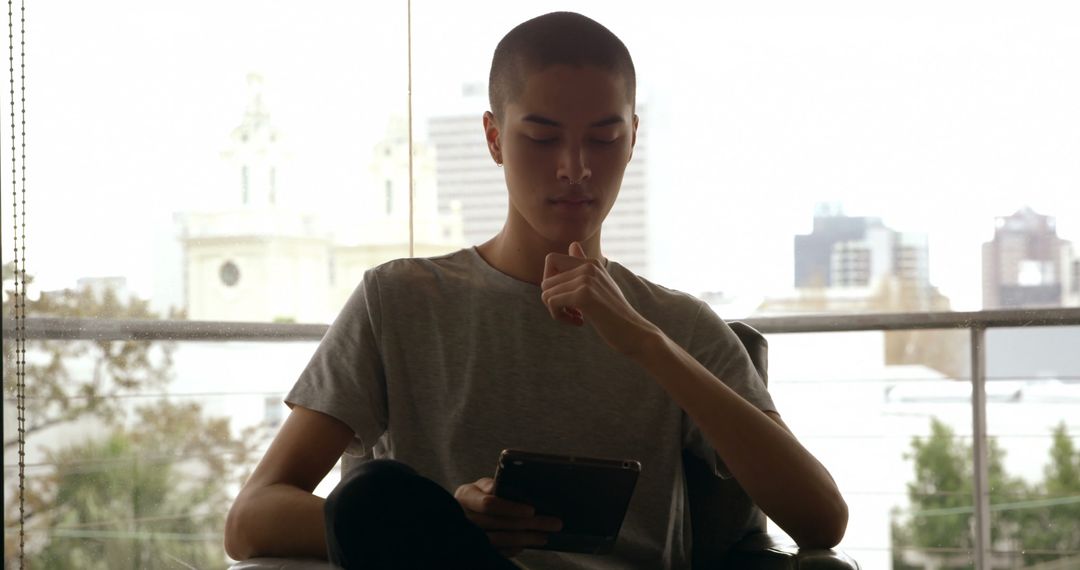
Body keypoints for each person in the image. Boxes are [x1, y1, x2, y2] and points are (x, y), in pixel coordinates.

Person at [224, 11, 847, 570]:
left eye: (603, 138)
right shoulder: (401, 301)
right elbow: (251, 520)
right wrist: (452, 520)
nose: (574, 167)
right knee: (373, 497)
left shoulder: (677, 327)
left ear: (633, 138)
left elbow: (823, 520)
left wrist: (645, 344)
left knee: (373, 498)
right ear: (494, 138)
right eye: (543, 137)